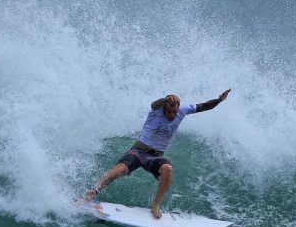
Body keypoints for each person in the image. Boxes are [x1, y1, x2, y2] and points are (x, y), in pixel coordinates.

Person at [84, 89, 231, 218]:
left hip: (155, 156)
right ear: (164, 108)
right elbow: (155, 104)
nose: (172, 115)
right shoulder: (156, 110)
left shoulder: (183, 110)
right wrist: (166, 100)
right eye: (169, 112)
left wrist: (219, 100)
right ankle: (92, 192)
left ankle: (156, 205)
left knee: (167, 168)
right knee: (119, 170)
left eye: (174, 112)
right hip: (138, 151)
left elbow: (204, 106)